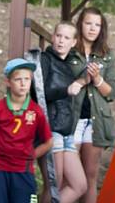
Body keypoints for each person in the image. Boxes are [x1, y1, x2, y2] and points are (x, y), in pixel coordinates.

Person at [0, 58, 53, 203]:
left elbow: (48, 142)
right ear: (8, 82)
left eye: (27, 79)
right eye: (18, 79)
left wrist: (31, 155)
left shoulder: (36, 111)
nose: (23, 83)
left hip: (23, 171)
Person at [35, 22, 86, 203]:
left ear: (73, 42)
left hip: (66, 133)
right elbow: (40, 92)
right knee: (53, 185)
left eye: (66, 38)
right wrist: (67, 89)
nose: (60, 41)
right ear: (53, 37)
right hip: (50, 131)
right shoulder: (44, 59)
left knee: (79, 185)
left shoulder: (68, 66)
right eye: (58, 36)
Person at [71, 7, 115, 203]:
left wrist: (97, 78)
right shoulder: (70, 50)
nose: (92, 28)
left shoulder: (108, 55)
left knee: (90, 176)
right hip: (72, 120)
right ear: (80, 24)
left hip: (95, 123)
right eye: (88, 23)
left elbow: (111, 93)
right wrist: (83, 79)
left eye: (97, 25)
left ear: (102, 29)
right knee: (70, 177)